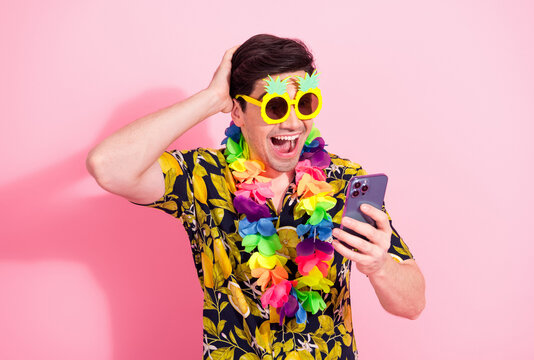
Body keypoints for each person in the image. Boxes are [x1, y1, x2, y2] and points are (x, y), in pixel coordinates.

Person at [87, 34, 425, 360]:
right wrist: (211, 99)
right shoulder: (204, 177)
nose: (294, 122)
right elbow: (107, 166)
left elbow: (413, 305)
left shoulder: (344, 181)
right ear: (237, 113)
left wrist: (379, 267)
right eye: (275, 106)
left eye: (305, 103)